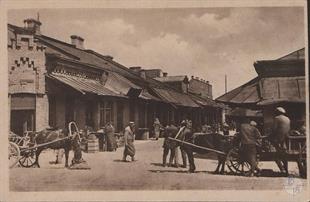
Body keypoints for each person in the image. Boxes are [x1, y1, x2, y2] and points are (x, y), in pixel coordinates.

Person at [270, 107, 290, 175]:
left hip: (278, 138)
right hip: (286, 138)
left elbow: (274, 129)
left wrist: (270, 135)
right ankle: (286, 170)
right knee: (284, 156)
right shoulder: (287, 119)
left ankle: (282, 170)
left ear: (278, 112)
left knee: (275, 156)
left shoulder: (277, 118)